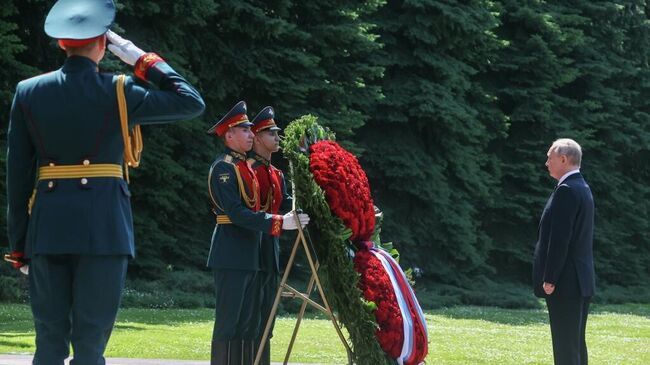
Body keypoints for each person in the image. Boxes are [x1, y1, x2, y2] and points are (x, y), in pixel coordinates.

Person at [5, 0, 205, 363]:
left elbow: (17, 176)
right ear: (103, 42)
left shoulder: (29, 91)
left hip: (48, 228)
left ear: (61, 43)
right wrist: (140, 58)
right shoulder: (119, 89)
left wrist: (19, 244)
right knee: (90, 344)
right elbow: (190, 101)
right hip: (104, 227)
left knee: (48, 343)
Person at [206, 101, 308, 365]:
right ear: (229, 135)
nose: (251, 134)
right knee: (229, 323)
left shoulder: (246, 168)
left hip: (249, 251)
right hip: (231, 250)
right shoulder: (224, 168)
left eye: (252, 130)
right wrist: (277, 223)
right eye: (245, 130)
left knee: (249, 324)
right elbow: (237, 213)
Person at [533, 138, 595, 365]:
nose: (546, 162)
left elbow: (560, 240)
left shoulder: (567, 190)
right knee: (575, 344)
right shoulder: (582, 187)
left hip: (565, 282)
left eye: (550, 157)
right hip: (580, 280)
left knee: (565, 347)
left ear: (563, 159)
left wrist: (550, 277)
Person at [248, 106, 293, 365]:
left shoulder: (277, 174)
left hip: (271, 248)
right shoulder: (247, 170)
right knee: (253, 315)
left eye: (277, 132)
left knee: (268, 313)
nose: (277, 137)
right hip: (252, 246)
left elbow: (286, 205)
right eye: (271, 133)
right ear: (256, 137)